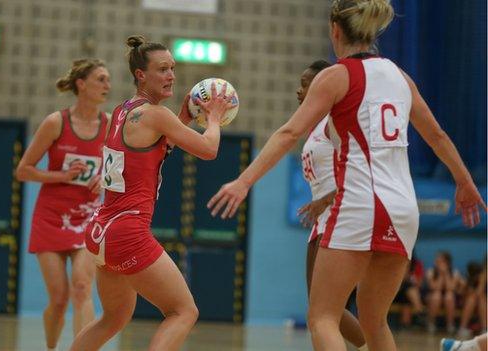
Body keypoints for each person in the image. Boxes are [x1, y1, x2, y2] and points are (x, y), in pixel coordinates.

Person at [207, 0, 486, 350]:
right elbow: (438, 136)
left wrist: (243, 181)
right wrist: (463, 181)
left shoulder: (337, 75)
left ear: (335, 29)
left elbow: (288, 133)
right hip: (403, 210)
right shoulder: (400, 76)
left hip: (360, 204)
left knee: (322, 316)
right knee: (374, 321)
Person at [70, 35, 235, 351]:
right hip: (126, 232)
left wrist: (184, 117)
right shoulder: (157, 115)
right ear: (141, 75)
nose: (171, 75)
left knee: (113, 319)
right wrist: (214, 118)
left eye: (172, 68)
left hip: (100, 232)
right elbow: (208, 148)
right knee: (183, 311)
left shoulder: (122, 111)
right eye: (162, 69)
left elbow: (153, 149)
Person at [16, 59, 111, 351]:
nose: (107, 86)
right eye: (100, 79)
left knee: (82, 288)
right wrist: (61, 175)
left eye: (108, 80)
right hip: (51, 216)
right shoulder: (56, 122)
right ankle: (51, 346)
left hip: (88, 217)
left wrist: (104, 179)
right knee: (58, 300)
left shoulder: (109, 125)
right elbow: (23, 170)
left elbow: (121, 171)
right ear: (81, 84)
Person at [297, 59, 367, 350]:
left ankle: (371, 345)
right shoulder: (316, 127)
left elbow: (359, 170)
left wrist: (324, 200)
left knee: (323, 312)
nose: (298, 91)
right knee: (323, 312)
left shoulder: (334, 123)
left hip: (339, 217)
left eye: (304, 84)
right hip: (324, 220)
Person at [426, 251, 465, 334]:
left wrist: (446, 273)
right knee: (437, 295)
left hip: (450, 297)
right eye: (437, 261)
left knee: (449, 296)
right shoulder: (431, 271)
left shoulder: (454, 272)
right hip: (433, 296)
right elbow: (433, 287)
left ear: (447, 262)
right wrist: (440, 274)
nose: (437, 262)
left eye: (440, 261)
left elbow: (451, 288)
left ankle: (450, 325)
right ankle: (431, 323)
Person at [457, 259, 487, 338]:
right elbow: (461, 292)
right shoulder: (468, 278)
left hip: (482, 301)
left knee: (481, 298)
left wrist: (482, 282)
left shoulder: (483, 277)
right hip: (472, 302)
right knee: (473, 298)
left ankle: (485, 328)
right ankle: (462, 328)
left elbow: (479, 293)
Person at [393, 255, 425, 328]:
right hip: (395, 291)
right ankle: (420, 312)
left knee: (407, 298)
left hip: (407, 293)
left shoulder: (417, 264)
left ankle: (405, 324)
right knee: (408, 287)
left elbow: (419, 283)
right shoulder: (396, 262)